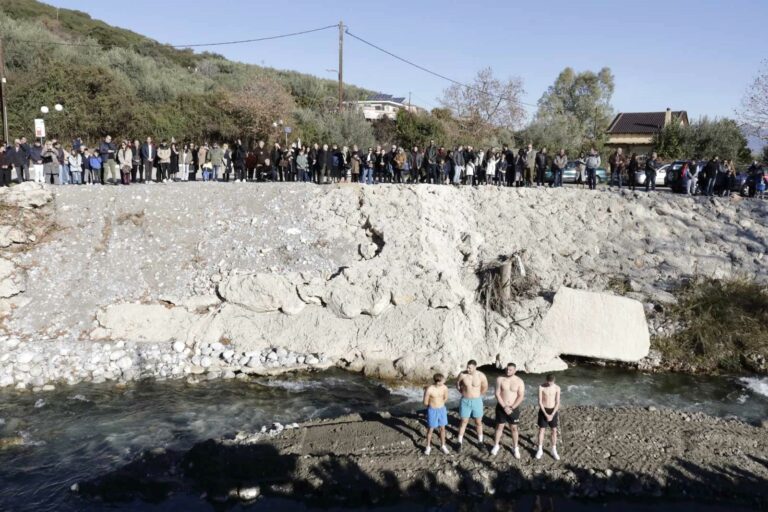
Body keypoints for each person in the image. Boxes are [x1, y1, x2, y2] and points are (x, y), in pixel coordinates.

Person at [490, 362, 525, 458]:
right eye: (507, 369)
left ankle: (515, 448)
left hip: (513, 408)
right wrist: (504, 407)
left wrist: (512, 407)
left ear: (515, 370)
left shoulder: (519, 381)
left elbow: (521, 396)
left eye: (510, 370)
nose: (508, 371)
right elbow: (497, 394)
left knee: (514, 428)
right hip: (501, 407)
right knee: (499, 427)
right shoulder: (500, 379)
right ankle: (496, 445)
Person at [456, 359, 488, 448]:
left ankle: (480, 441)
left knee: (478, 422)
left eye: (470, 368)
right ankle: (459, 442)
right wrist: (462, 392)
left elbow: (485, 387)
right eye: (467, 367)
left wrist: (478, 395)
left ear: (475, 367)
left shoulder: (481, 376)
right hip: (465, 401)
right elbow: (457, 384)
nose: (468, 369)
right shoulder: (462, 375)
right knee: (464, 421)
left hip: (477, 401)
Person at [423, 373, 450, 455]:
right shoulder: (429, 389)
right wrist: (432, 407)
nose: (444, 382)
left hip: (442, 410)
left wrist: (440, 403)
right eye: (443, 380)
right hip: (432, 410)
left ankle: (443, 446)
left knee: (442, 428)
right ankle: (428, 447)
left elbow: (446, 397)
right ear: (438, 381)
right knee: (430, 429)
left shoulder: (444, 387)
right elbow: (425, 402)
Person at [536, 374, 561, 461]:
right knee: (541, 430)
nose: (550, 384)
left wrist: (552, 414)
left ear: (554, 381)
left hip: (553, 410)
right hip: (544, 410)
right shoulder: (541, 387)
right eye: (549, 382)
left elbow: (557, 402)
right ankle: (540, 449)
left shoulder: (557, 388)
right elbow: (540, 402)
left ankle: (554, 450)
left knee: (554, 430)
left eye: (552, 382)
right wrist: (546, 414)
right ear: (546, 380)